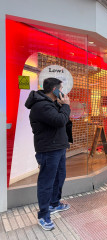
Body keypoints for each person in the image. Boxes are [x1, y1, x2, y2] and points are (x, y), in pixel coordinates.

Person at [25, 78, 71, 231]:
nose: (63, 91)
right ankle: (44, 215)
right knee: (46, 183)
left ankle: (54, 204)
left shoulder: (50, 104)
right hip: (48, 151)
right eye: (61, 88)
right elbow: (60, 121)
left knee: (59, 177)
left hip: (58, 148)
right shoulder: (41, 106)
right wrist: (66, 106)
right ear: (55, 90)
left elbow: (58, 123)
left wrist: (60, 105)